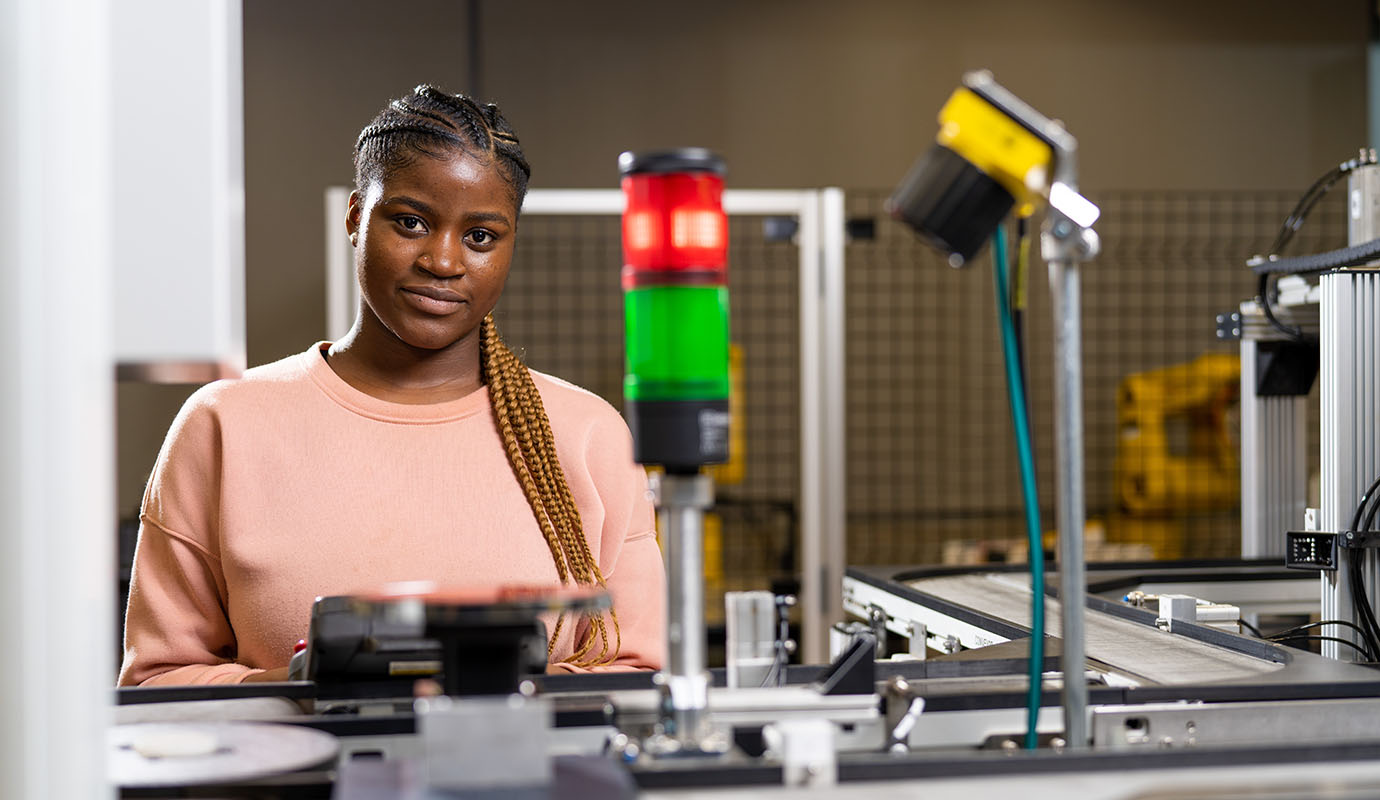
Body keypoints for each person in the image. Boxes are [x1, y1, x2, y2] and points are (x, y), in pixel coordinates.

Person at [118, 86, 665, 685]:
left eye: (480, 236)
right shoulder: (223, 423)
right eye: (410, 222)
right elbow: (155, 682)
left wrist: (489, 695)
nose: (443, 260)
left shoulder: (590, 436)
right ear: (356, 218)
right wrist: (303, 688)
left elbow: (639, 673)